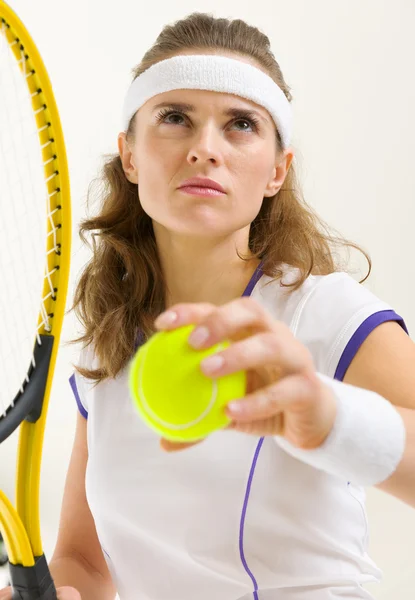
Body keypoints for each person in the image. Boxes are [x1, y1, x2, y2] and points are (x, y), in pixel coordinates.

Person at [2, 11, 415, 600]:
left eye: (241, 124)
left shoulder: (331, 316)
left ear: (278, 169)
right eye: (175, 118)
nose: (204, 149)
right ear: (130, 155)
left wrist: (330, 417)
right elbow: (85, 566)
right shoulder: (110, 344)